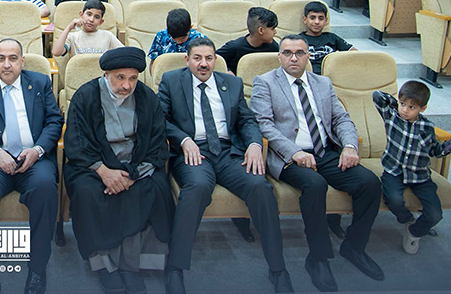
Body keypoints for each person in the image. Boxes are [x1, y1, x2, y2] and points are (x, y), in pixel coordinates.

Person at [250, 35, 384, 293]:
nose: (293, 58)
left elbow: (341, 119)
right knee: (315, 184)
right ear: (279, 56)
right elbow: (264, 125)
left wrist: (349, 146)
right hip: (289, 156)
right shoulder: (265, 82)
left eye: (299, 53)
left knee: (369, 183)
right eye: (287, 53)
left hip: (325, 151)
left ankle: (354, 247)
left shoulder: (323, 83)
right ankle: (318, 258)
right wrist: (294, 152)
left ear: (308, 56)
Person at [159, 37, 291, 294]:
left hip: (229, 152)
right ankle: (175, 268)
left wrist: (254, 144)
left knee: (261, 188)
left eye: (209, 58)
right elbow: (160, 119)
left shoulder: (231, 83)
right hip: (193, 152)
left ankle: (278, 269)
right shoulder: (171, 81)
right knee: (196, 188)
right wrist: (183, 140)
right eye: (197, 58)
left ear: (215, 60)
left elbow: (247, 120)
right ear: (187, 60)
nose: (204, 64)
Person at [65, 47, 174, 294]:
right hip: (95, 166)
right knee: (87, 192)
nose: (127, 85)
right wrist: (104, 171)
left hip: (137, 166)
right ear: (107, 74)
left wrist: (133, 176)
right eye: (120, 77)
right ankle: (105, 266)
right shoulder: (86, 96)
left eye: (133, 78)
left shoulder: (147, 97)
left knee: (152, 189)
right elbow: (76, 141)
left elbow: (157, 142)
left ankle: (131, 266)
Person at [0, 38, 63, 294]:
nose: (7, 64)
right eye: (1, 58)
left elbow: (54, 121)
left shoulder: (40, 82)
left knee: (45, 190)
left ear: (22, 61)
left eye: (13, 58)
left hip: (34, 159)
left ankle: (37, 269)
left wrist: (38, 150)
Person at [373, 81, 451, 254]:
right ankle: (408, 220)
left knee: (435, 214)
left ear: (423, 108)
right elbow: (376, 95)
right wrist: (397, 102)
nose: (405, 110)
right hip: (394, 172)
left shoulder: (427, 127)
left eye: (412, 107)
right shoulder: (391, 116)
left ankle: (414, 232)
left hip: (420, 175)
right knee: (394, 200)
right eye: (403, 104)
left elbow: (435, 151)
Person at [215, 7, 280, 73]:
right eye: (273, 29)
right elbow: (214, 59)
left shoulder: (273, 46)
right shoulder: (235, 47)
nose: (275, 32)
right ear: (261, 30)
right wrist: (227, 71)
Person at [52, 0, 122, 59]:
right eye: (89, 14)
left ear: (101, 22)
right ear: (81, 14)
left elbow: (123, 53)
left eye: (96, 17)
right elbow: (56, 52)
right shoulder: (72, 37)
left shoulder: (107, 35)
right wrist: (69, 27)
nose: (91, 19)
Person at [299, 1, 356, 74]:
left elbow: (354, 53)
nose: (317, 22)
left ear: (326, 21)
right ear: (305, 19)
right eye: (312, 18)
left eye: (321, 18)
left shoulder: (332, 38)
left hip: (331, 75)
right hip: (309, 75)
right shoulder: (298, 40)